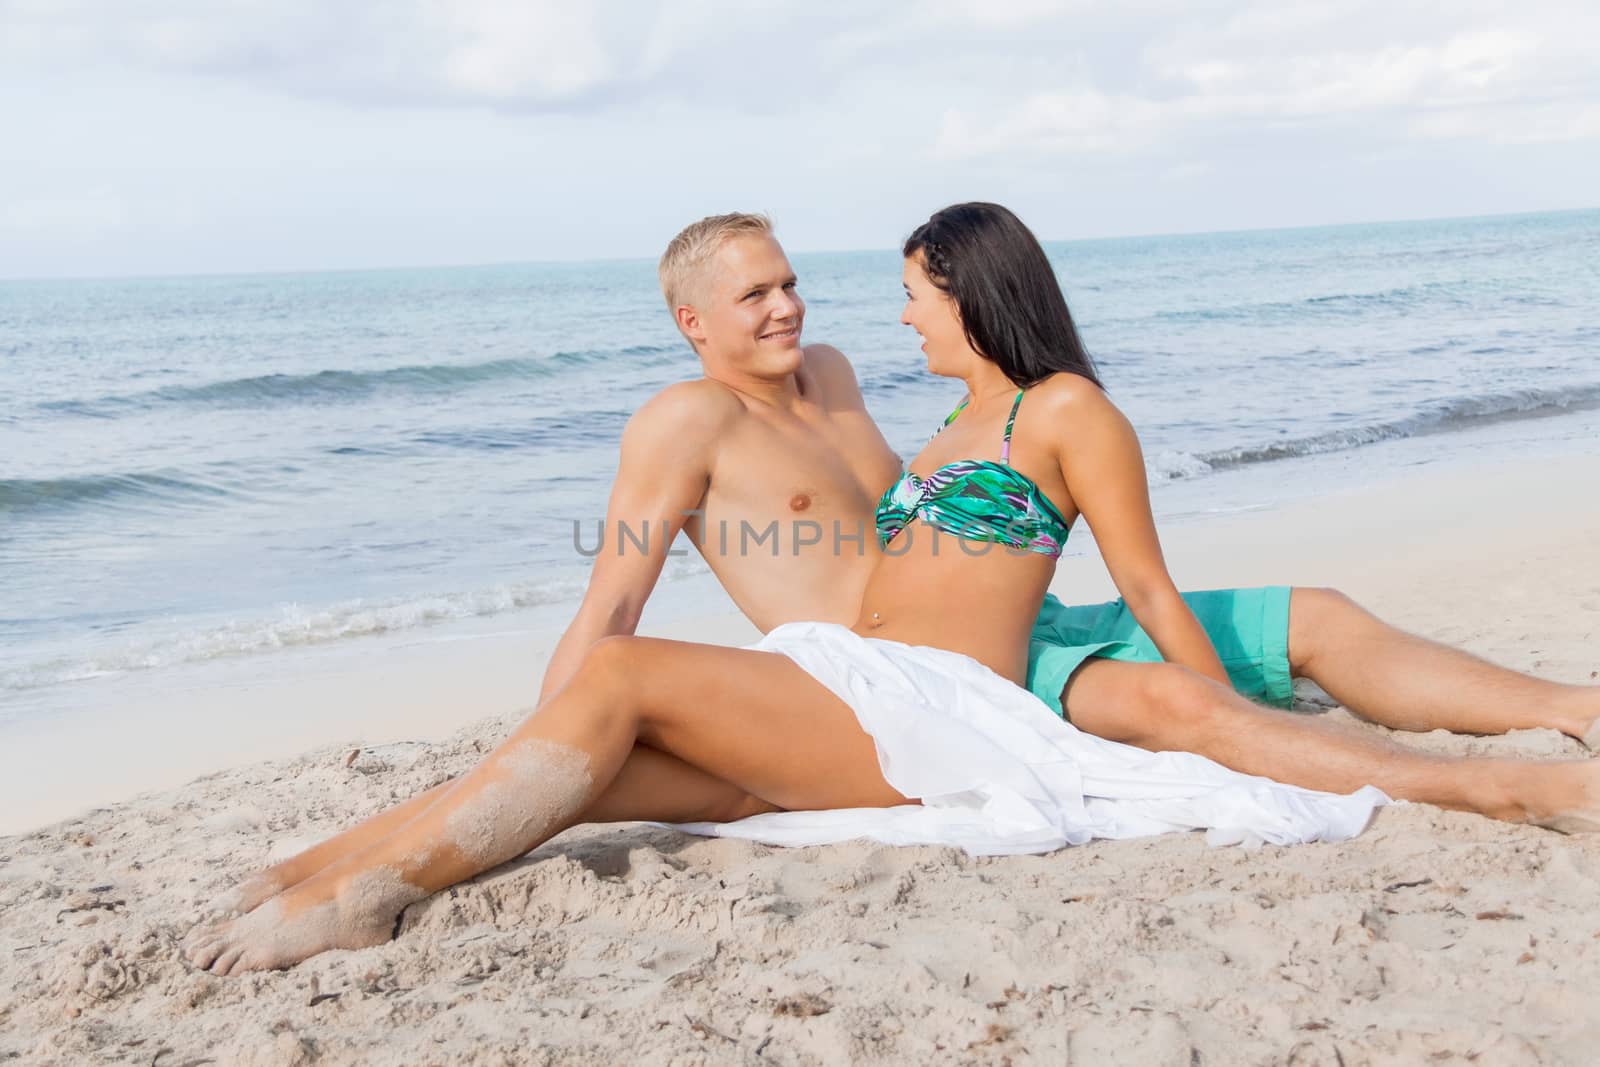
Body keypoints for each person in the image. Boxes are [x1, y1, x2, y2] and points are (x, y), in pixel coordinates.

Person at [182, 205, 1599, 975]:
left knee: (1317, 620)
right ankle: (321, 877)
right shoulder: (682, 422)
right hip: (863, 686)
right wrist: (542, 720)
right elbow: (609, 609)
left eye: (793, 282)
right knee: (596, 740)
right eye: (755, 298)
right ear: (692, 322)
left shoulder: (853, 381)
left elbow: (1005, 507)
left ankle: (1564, 715)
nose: (790, 308)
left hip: (974, 664)